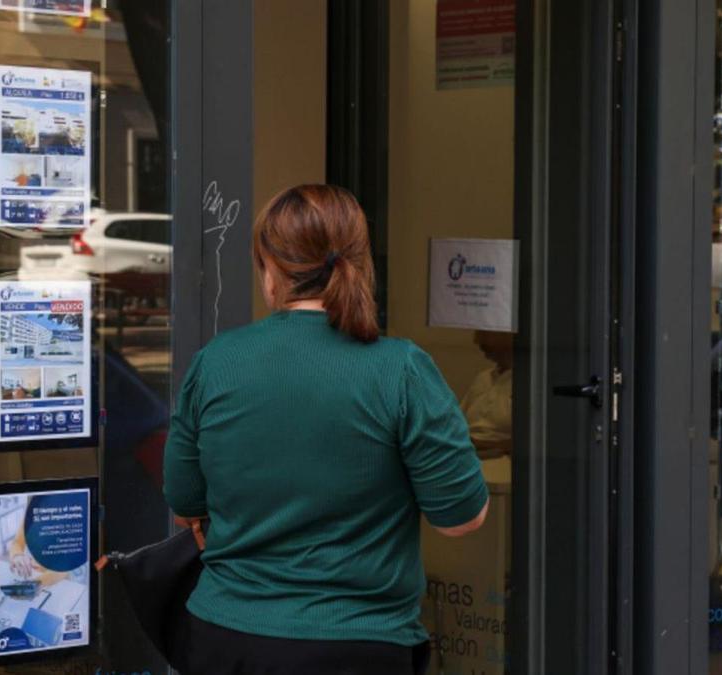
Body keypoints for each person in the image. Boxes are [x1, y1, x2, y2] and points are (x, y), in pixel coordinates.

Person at [164, 184, 489, 675]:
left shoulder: (216, 363)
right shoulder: (401, 369)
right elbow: (460, 518)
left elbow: (184, 502)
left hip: (226, 636)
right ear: (359, 262)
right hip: (358, 644)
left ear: (270, 269)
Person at [459, 330, 514, 458]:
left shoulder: (532, 383)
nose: (479, 343)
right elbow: (458, 420)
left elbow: (537, 441)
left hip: (501, 456)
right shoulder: (483, 378)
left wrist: (483, 444)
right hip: (467, 449)